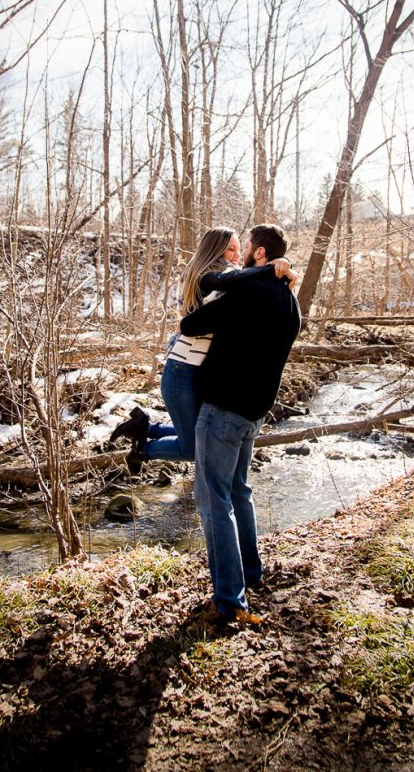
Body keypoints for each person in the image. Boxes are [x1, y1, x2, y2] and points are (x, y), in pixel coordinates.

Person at [179, 223, 301, 621]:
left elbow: (191, 325)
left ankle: (230, 601)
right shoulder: (290, 300)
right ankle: (251, 573)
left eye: (246, 247)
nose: (242, 254)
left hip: (223, 409)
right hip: (255, 413)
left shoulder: (249, 292)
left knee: (214, 501)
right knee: (239, 492)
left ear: (260, 253)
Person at [111, 227, 294, 469]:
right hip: (182, 370)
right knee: (193, 449)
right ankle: (143, 450)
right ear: (215, 250)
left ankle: (145, 427)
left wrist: (281, 265)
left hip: (197, 371)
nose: (237, 254)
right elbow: (237, 279)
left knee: (203, 434)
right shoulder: (208, 278)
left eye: (240, 248)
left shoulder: (233, 277)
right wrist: (273, 267)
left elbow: (247, 280)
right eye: (231, 249)